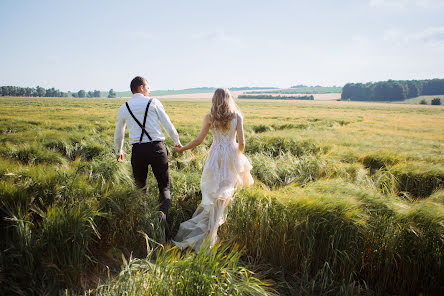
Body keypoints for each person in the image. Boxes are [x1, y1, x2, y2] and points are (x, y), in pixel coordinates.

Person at [172, 88, 253, 251]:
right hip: (231, 154)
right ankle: (216, 230)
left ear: (214, 100)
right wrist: (238, 155)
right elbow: (242, 142)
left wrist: (182, 149)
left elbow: (198, 140)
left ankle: (210, 230)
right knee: (227, 191)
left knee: (214, 191)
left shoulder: (210, 117)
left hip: (215, 157)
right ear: (229, 99)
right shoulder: (237, 117)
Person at [114, 76, 182, 239]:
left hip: (137, 151)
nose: (149, 90)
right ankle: (162, 216)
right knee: (164, 187)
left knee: (140, 189)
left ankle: (145, 225)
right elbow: (167, 124)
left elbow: (119, 133)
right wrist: (177, 141)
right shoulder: (154, 102)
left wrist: (119, 151)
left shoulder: (124, 107)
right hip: (157, 148)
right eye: (148, 87)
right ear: (141, 87)